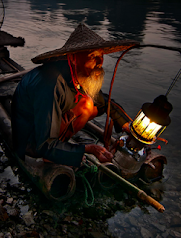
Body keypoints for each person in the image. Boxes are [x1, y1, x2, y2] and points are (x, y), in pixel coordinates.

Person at [11, 23, 139, 167]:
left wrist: (126, 124)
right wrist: (86, 149)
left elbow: (104, 102)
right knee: (85, 105)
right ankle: (54, 154)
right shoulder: (50, 84)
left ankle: (61, 147)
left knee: (88, 103)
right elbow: (44, 144)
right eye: (92, 56)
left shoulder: (78, 75)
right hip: (31, 142)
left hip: (46, 130)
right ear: (73, 58)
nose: (99, 63)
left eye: (101, 56)